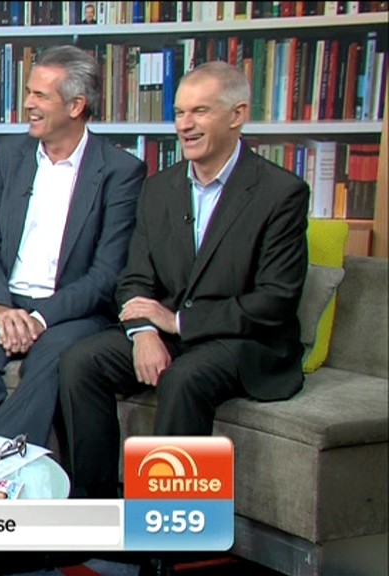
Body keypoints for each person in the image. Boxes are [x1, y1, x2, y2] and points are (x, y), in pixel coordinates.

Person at [59, 61, 310, 500]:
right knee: (82, 361)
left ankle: (168, 529)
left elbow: (276, 300)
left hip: (246, 341)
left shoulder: (280, 193)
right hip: (171, 332)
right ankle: (96, 506)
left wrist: (177, 323)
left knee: (184, 378)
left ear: (237, 115)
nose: (185, 125)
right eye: (179, 113)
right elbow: (134, 279)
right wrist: (142, 333)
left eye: (200, 111)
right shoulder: (159, 189)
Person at [0, 45, 146, 450]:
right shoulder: (9, 156)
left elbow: (106, 274)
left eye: (40, 95)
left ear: (76, 105)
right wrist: (0, 309)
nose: (28, 104)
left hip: (71, 312)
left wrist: (39, 318)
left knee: (53, 363)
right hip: (4, 302)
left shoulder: (120, 172)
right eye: (29, 92)